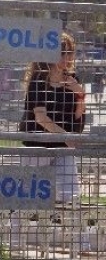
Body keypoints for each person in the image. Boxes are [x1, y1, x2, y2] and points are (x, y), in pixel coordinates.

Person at [19, 31, 85, 203]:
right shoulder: (38, 80)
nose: (67, 58)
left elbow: (78, 118)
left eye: (70, 53)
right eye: (62, 53)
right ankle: (19, 228)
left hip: (63, 146)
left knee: (70, 197)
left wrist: (80, 94)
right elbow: (41, 118)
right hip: (38, 145)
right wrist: (65, 136)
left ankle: (66, 229)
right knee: (30, 198)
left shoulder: (72, 79)